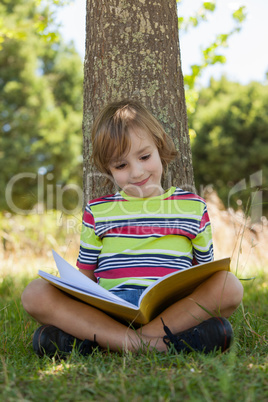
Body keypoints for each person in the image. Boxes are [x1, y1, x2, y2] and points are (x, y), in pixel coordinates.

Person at [21, 99, 243, 358]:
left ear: (159, 147)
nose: (137, 172)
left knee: (229, 285)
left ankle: (105, 343)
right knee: (35, 293)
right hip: (111, 311)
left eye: (144, 156)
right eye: (121, 165)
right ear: (108, 169)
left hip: (171, 311)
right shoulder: (97, 211)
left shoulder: (193, 207)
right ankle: (159, 344)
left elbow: (205, 273)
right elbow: (85, 279)